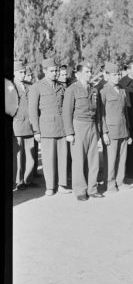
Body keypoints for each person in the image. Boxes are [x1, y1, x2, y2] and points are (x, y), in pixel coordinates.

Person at [28, 58, 71, 196]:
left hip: (62, 127)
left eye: (56, 70)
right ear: (45, 71)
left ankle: (62, 184)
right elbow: (33, 111)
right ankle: (50, 186)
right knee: (48, 159)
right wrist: (36, 131)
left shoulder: (61, 86)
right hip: (46, 128)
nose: (55, 73)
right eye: (52, 71)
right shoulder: (36, 87)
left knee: (62, 157)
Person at [63, 62, 103, 201]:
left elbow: (97, 113)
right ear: (77, 74)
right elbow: (67, 112)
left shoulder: (94, 89)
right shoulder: (72, 89)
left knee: (94, 159)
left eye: (90, 71)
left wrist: (97, 130)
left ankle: (92, 189)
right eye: (86, 72)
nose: (90, 74)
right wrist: (69, 132)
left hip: (91, 125)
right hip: (78, 125)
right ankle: (80, 190)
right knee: (79, 160)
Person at [100, 62, 132, 193]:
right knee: (111, 159)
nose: (117, 77)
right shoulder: (103, 91)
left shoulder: (122, 90)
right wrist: (104, 132)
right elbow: (101, 114)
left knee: (122, 157)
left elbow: (125, 113)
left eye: (118, 74)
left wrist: (128, 131)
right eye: (114, 74)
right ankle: (110, 183)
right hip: (111, 130)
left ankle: (120, 181)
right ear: (107, 75)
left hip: (123, 129)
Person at [12, 60, 36, 190]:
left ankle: (28, 179)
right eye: (20, 72)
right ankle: (19, 181)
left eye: (23, 72)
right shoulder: (11, 86)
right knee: (18, 154)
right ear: (14, 73)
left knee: (31, 153)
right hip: (17, 124)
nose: (23, 74)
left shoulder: (29, 86)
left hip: (29, 123)